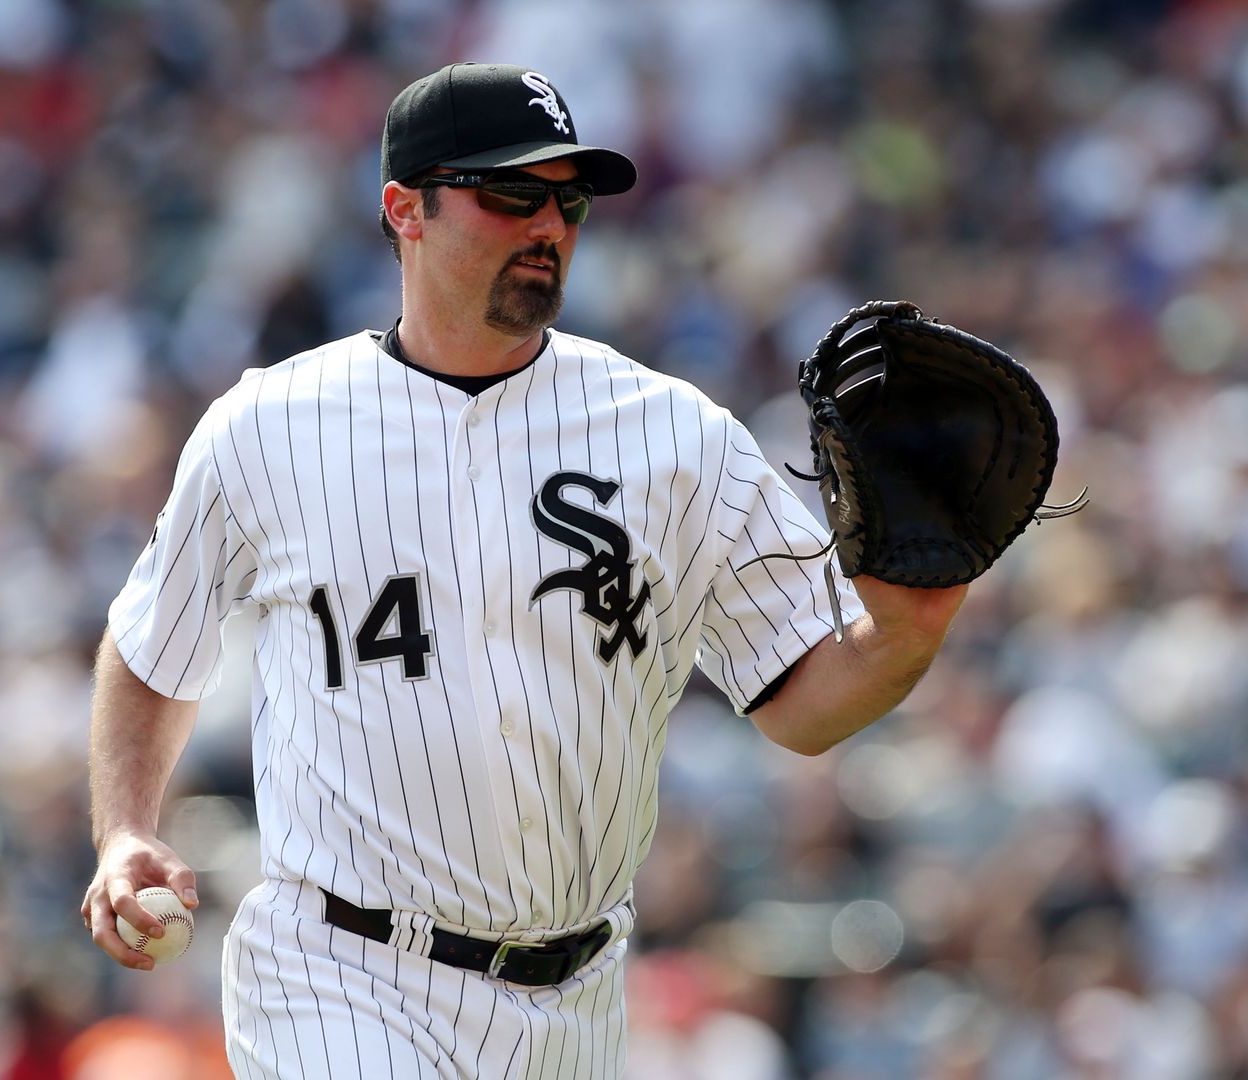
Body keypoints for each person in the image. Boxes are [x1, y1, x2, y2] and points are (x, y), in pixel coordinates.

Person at [81, 61, 968, 1078]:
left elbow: (802, 706)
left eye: (569, 198)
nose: (549, 223)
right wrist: (125, 830)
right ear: (404, 208)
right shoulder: (267, 427)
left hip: (577, 1001)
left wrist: (911, 626)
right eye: (511, 193)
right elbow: (151, 646)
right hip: (339, 973)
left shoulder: (676, 437)